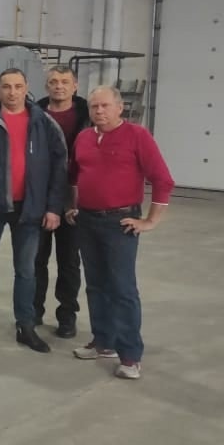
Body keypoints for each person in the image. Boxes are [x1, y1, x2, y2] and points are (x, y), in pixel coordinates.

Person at [67, 86, 174, 379]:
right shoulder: (84, 138)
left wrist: (150, 221)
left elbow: (163, 180)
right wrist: (72, 206)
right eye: (94, 106)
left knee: (122, 289)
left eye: (105, 106)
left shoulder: (137, 136)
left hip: (120, 223)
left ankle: (130, 355)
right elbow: (74, 176)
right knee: (95, 285)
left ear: (119, 108)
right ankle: (103, 342)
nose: (99, 111)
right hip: (87, 221)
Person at [0, 68, 67, 354]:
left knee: (27, 271)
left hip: (29, 209)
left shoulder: (44, 123)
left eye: (18, 86)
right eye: (6, 86)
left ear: (26, 88)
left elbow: (60, 168)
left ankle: (25, 326)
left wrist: (54, 207)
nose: (12, 92)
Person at [34, 65, 90, 339]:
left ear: (75, 86)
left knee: (68, 262)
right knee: (36, 260)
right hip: (39, 195)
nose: (59, 86)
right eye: (54, 82)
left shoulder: (88, 115)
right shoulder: (35, 114)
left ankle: (67, 316)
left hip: (74, 198)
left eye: (65, 82)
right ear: (47, 86)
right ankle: (33, 311)